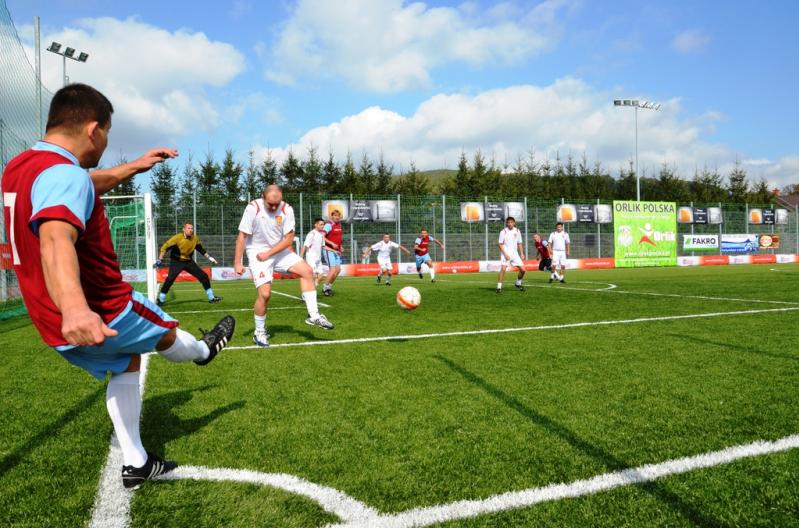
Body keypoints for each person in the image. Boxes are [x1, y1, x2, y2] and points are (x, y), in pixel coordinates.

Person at [0, 83, 235, 490]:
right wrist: (76, 308)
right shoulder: (65, 175)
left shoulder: (21, 168)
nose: (106, 143)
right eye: (107, 133)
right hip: (103, 308)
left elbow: (86, 185)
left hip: (48, 320)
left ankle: (137, 462)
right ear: (94, 129)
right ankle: (204, 350)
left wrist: (135, 167)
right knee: (166, 333)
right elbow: (55, 239)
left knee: (127, 362)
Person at [234, 185, 334, 348]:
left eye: (277, 203)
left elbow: (288, 239)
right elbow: (242, 236)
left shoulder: (287, 209)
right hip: (257, 252)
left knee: (307, 271)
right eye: (270, 204)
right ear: (262, 197)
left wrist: (270, 253)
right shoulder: (253, 208)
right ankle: (259, 332)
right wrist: (237, 262)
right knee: (265, 295)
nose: (274, 207)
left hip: (278, 250)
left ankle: (314, 315)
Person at [155, 223, 221, 306]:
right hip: (176, 262)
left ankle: (211, 298)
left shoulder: (195, 238)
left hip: (188, 262)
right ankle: (161, 300)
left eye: (192, 228)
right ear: (184, 229)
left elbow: (201, 249)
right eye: (188, 228)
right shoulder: (177, 238)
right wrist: (160, 259)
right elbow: (165, 247)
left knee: (204, 276)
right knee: (170, 279)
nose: (190, 230)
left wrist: (210, 258)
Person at [496, 217, 526, 293]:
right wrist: (505, 254)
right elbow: (500, 244)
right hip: (506, 253)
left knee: (523, 270)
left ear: (514, 223)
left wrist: (522, 253)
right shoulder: (503, 231)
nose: (510, 224)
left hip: (515, 254)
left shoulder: (517, 231)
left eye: (511, 222)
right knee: (503, 269)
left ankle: (518, 283)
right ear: (506, 223)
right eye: (508, 222)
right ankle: (498, 287)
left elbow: (519, 243)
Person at [321, 209, 343, 296]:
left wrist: (341, 246)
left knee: (338, 270)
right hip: (328, 250)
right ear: (332, 216)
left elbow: (338, 237)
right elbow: (322, 236)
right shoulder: (328, 225)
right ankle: (325, 288)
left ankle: (328, 287)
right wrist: (332, 244)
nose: (337, 217)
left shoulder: (339, 225)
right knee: (332, 270)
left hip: (336, 251)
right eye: (335, 215)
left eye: (338, 216)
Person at [300, 218, 326, 288]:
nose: (322, 226)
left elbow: (323, 246)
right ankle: (309, 289)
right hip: (311, 257)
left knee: (321, 275)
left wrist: (334, 251)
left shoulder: (321, 235)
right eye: (321, 224)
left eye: (323, 224)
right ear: (315, 225)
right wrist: (301, 257)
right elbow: (305, 246)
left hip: (318, 258)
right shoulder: (311, 234)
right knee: (313, 275)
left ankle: (312, 287)